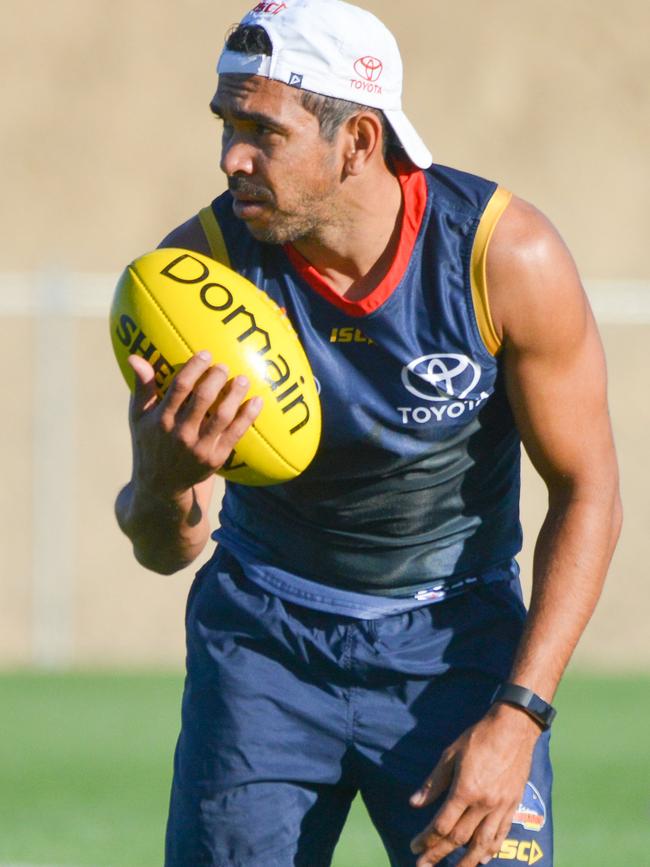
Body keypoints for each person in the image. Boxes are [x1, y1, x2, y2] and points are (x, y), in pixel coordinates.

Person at [114, 1, 622, 865]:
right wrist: (162, 480)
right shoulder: (197, 275)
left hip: (455, 649)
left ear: (356, 139)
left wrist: (519, 714)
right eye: (225, 124)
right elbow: (168, 548)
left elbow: (590, 489)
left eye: (261, 132)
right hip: (264, 648)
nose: (232, 156)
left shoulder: (503, 257)